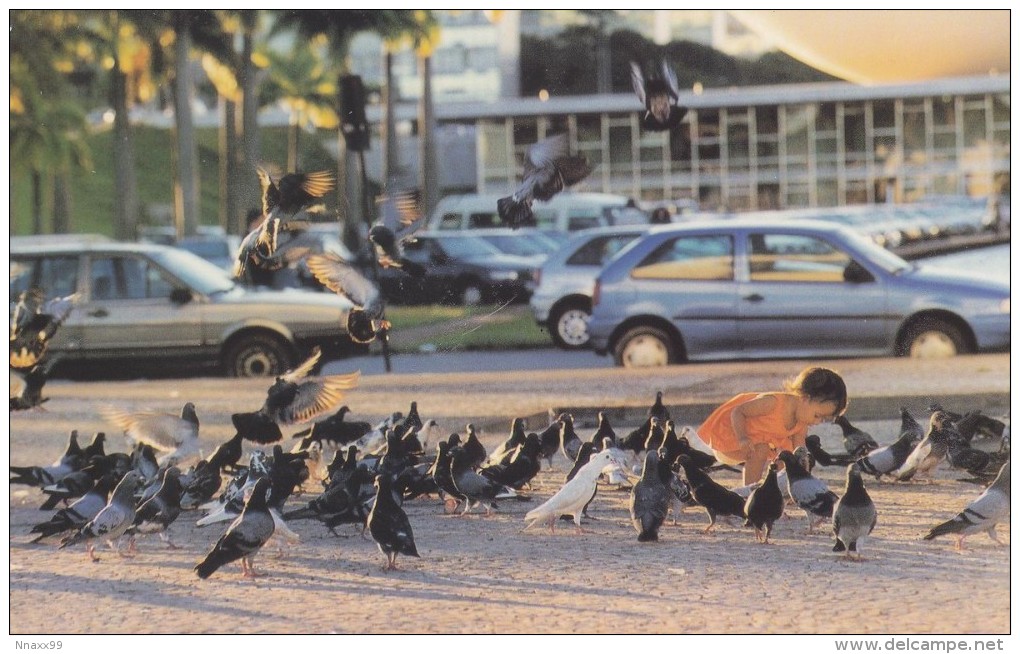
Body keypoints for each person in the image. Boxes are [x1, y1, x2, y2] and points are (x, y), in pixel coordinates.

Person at [696, 366, 848, 486]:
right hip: (728, 440)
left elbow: (799, 454)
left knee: (787, 456)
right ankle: (750, 491)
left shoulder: (801, 423)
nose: (817, 422)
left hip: (755, 443)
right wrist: (742, 438)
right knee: (760, 448)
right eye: (817, 416)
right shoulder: (772, 403)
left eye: (823, 419)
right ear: (805, 398)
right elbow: (738, 411)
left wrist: (803, 477)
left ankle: (783, 492)